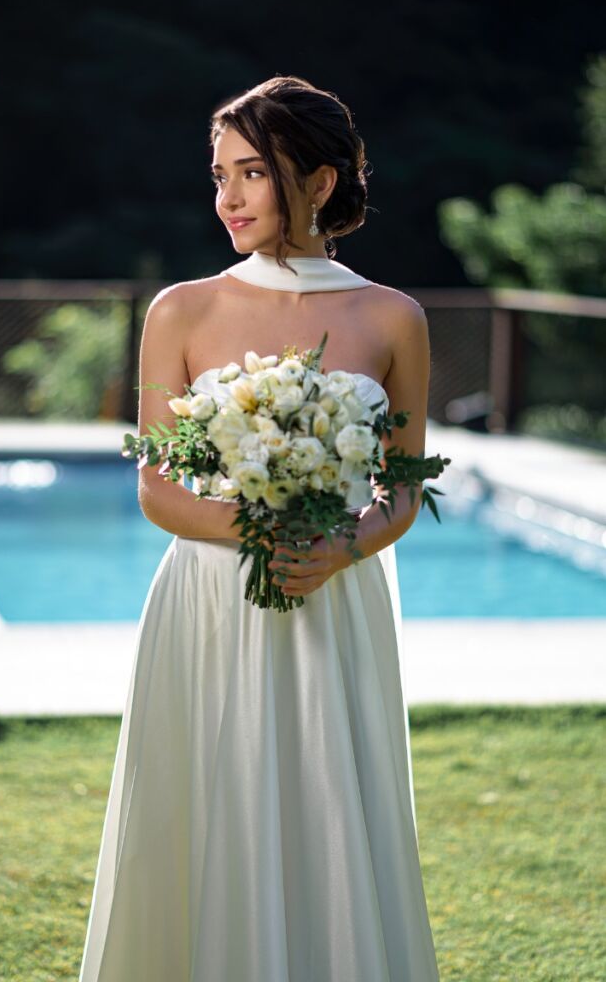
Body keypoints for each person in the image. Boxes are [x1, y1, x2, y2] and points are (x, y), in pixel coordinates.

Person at [78, 75, 440, 981]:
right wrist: (258, 537)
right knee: (207, 802)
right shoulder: (182, 310)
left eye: (251, 173)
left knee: (328, 806)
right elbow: (158, 491)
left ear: (318, 182)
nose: (227, 197)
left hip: (335, 598)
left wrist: (337, 548)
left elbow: (399, 492)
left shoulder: (393, 317)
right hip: (209, 603)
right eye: (217, 175)